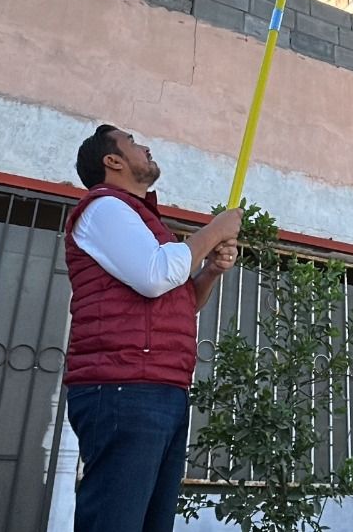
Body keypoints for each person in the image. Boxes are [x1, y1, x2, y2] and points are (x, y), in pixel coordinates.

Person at [63, 124, 242, 532]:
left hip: (160, 390)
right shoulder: (104, 208)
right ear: (113, 161)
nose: (145, 146)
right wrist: (215, 229)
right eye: (132, 142)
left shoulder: (145, 223)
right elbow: (155, 275)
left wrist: (209, 272)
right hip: (124, 387)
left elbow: (180, 301)